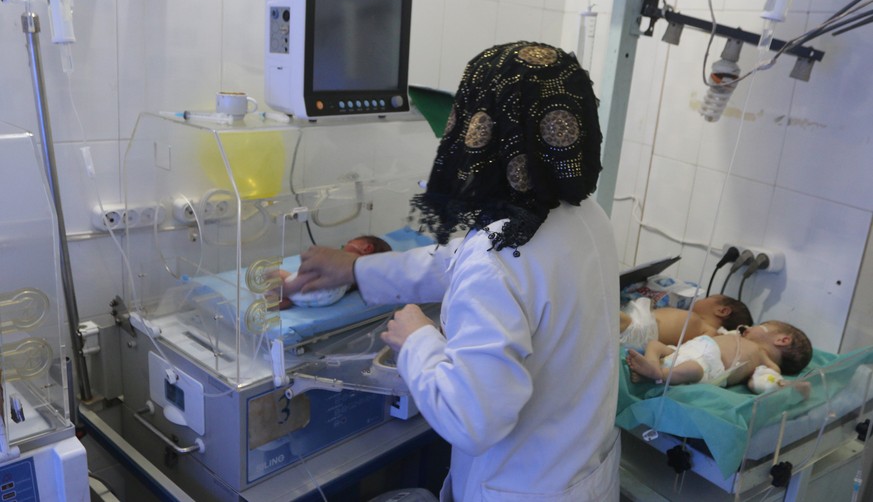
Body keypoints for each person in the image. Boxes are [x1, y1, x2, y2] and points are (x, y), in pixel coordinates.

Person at [285, 41, 621, 501]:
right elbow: (457, 259)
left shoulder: (498, 257)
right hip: (582, 476)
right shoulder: (580, 214)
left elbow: (471, 421)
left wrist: (416, 339)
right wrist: (358, 269)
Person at [625, 320, 813, 390]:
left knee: (692, 369)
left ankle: (660, 375)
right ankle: (652, 366)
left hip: (708, 367)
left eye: (761, 325)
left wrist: (786, 385)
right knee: (654, 344)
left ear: (782, 340)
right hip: (684, 350)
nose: (748, 327)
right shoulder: (735, 336)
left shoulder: (767, 362)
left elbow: (762, 383)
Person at [273, 235, 392, 308]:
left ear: (367, 248)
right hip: (327, 297)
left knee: (317, 268)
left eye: (349, 242)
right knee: (288, 290)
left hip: (321, 288)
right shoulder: (362, 274)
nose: (344, 245)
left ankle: (287, 289)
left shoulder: (353, 258)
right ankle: (286, 299)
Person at [619, 294, 752, 350]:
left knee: (608, 315)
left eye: (707, 297)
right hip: (639, 321)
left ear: (722, 311)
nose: (700, 299)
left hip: (640, 331)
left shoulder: (710, 332)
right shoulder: (697, 321)